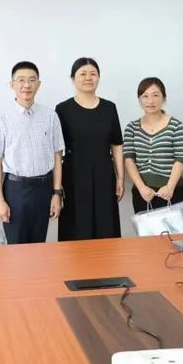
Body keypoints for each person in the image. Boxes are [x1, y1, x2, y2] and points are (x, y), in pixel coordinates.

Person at [0, 61, 65, 244]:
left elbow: (57, 157)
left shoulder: (50, 116)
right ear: (12, 84)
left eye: (32, 80)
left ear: (39, 84)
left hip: (43, 188)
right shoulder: (2, 118)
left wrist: (56, 193)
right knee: (16, 248)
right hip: (15, 190)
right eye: (21, 80)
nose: (27, 85)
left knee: (39, 246)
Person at [55, 57, 124, 241]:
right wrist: (57, 186)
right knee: (77, 227)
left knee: (106, 225)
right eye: (83, 74)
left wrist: (120, 177)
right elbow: (58, 153)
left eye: (93, 74)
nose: (88, 78)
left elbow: (117, 145)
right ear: (73, 78)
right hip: (74, 176)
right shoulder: (63, 109)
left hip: (104, 175)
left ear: (98, 78)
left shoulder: (109, 108)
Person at [123, 77, 183, 214]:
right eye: (145, 96)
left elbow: (180, 158)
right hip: (142, 193)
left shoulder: (176, 126)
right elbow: (129, 159)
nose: (150, 101)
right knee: (145, 228)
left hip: (171, 192)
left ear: (163, 98)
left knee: (173, 228)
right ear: (139, 99)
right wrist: (141, 188)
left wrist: (170, 187)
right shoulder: (131, 128)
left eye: (155, 95)